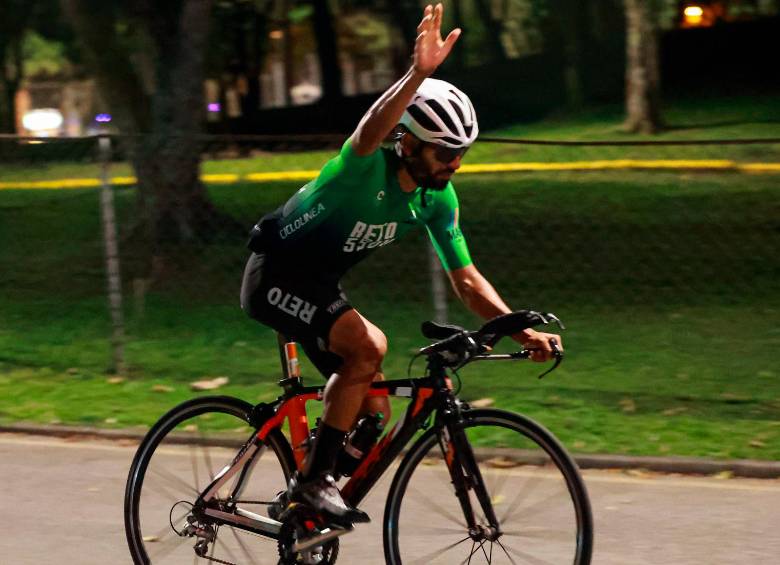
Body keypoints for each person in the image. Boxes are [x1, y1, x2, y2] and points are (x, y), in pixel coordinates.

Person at [240, 3, 562, 528]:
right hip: (273, 272)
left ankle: (298, 504)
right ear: (408, 141)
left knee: (373, 417)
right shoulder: (361, 170)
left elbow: (467, 280)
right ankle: (312, 485)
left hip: (317, 284)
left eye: (460, 152)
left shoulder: (437, 199)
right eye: (443, 152)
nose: (453, 163)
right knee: (369, 346)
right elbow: (369, 129)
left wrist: (519, 330)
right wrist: (418, 75)